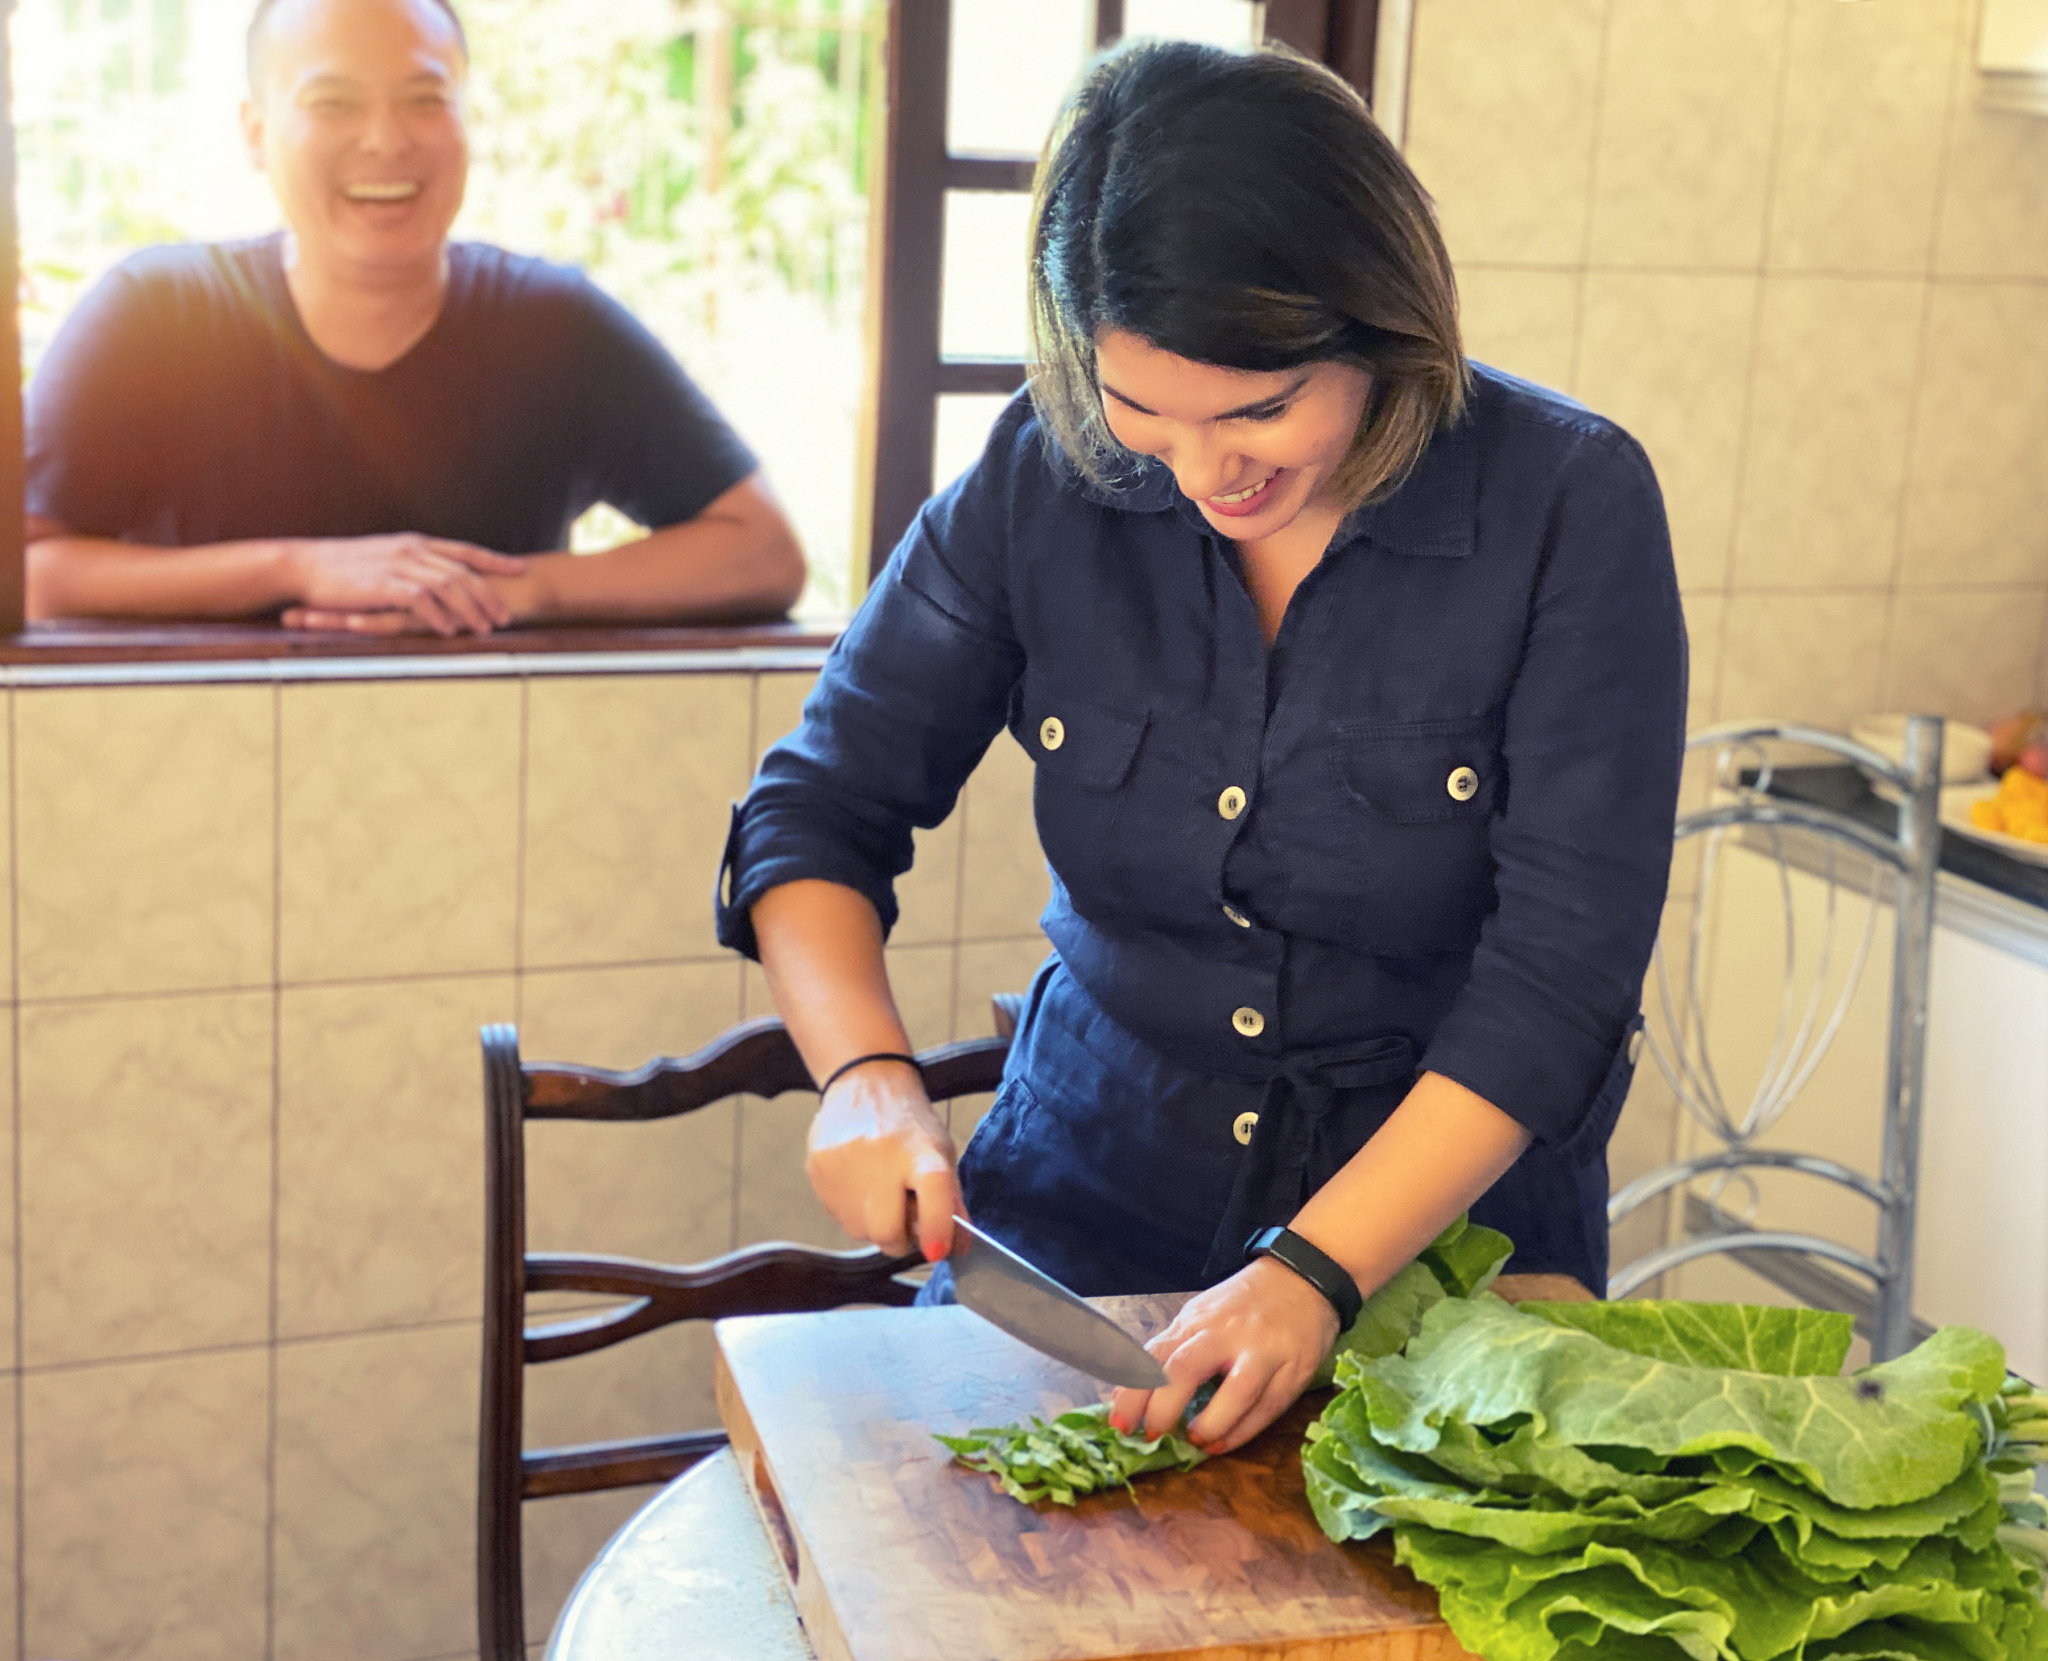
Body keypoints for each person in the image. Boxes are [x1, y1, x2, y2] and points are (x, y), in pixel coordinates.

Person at [717, 43, 1685, 1458]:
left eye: (1257, 410)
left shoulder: (1567, 504)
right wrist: (865, 1074)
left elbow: (1561, 976)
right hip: (1084, 1196)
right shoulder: (1044, 472)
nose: (1202, 472)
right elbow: (817, 806)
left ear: (1381, 324)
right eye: (1144, 413)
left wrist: (1315, 1270)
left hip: (1451, 1247)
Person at [23, 0, 805, 636]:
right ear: (256, 132)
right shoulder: (158, 315)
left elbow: (763, 548)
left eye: (424, 100)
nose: (386, 140)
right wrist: (300, 568)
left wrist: (520, 590)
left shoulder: (551, 325)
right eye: (334, 103)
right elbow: (27, 572)